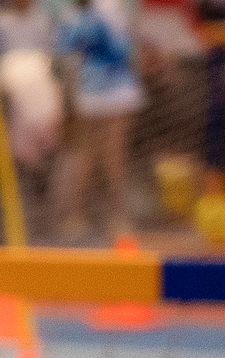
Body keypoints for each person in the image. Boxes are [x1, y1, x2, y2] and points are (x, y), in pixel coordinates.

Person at [52, 0, 142, 237]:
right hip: (92, 87)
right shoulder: (75, 14)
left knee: (112, 154)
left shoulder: (109, 9)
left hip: (116, 86)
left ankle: (117, 216)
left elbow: (124, 47)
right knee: (90, 154)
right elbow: (64, 47)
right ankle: (79, 215)